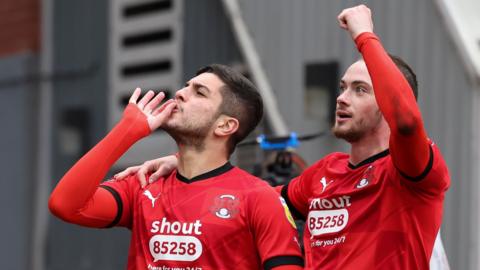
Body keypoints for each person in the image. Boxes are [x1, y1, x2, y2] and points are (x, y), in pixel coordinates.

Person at [117, 5, 451, 269]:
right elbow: (246, 202)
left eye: (360, 90)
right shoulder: (324, 174)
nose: (342, 98)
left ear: (391, 100)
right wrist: (187, 162)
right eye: (342, 87)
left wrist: (365, 36)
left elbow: (406, 121)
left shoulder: (411, 172)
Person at [48, 64, 304, 270]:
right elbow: (65, 205)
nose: (181, 93)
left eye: (199, 92)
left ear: (226, 126)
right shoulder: (143, 183)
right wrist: (127, 132)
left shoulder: (260, 198)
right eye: (186, 86)